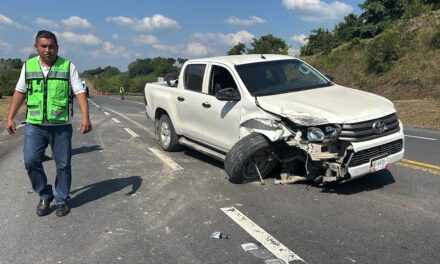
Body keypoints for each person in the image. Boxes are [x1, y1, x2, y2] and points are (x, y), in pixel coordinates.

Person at [5, 30, 92, 217]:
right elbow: (20, 92)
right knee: (30, 160)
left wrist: (86, 117)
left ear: (57, 48)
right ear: (36, 47)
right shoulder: (28, 67)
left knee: (63, 165)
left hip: (61, 126)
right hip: (34, 125)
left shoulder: (68, 66)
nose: (47, 50)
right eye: (43, 46)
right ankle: (45, 194)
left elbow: (79, 92)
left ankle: (61, 199)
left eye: (51, 46)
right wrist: (10, 116)